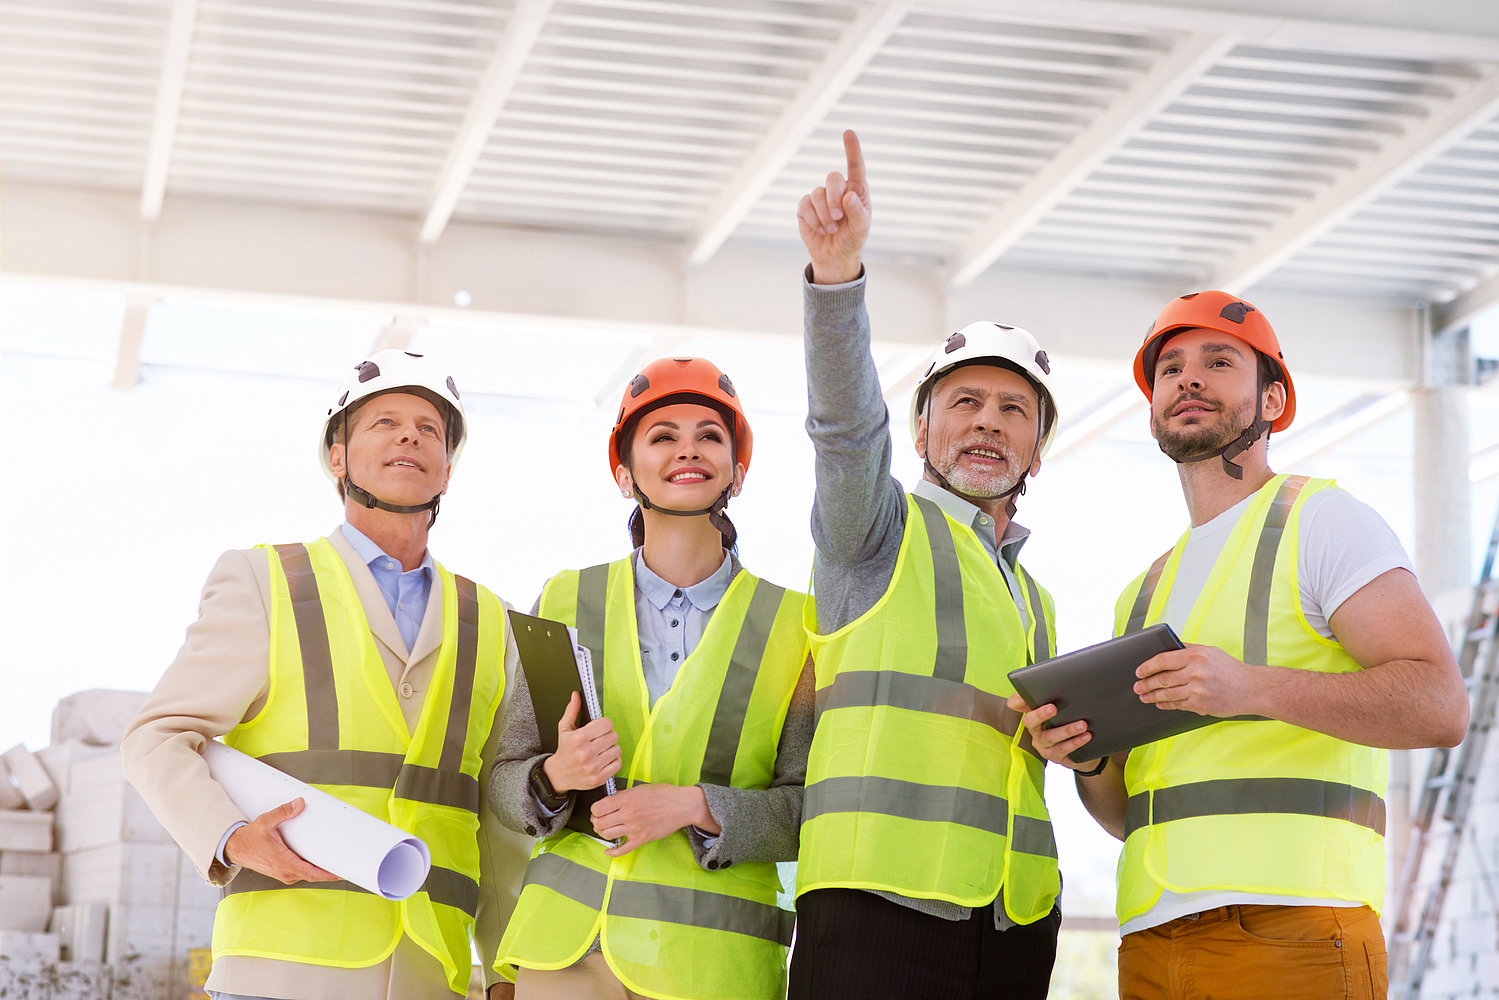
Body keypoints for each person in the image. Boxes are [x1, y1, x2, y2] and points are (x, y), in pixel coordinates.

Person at [1010, 290, 1471, 1000]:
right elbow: (1126, 816)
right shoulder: (1141, 593)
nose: (1186, 379)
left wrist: (1249, 687)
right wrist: (1087, 757)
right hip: (1152, 940)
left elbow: (1440, 705)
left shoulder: (1321, 522)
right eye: (1168, 370)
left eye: (1217, 362)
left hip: (1294, 931)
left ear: (1273, 399)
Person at [122, 349, 532, 1000]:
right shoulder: (265, 582)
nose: (409, 436)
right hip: (280, 971)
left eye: (430, 429)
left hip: (432, 974)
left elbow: (495, 817)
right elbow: (156, 737)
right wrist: (230, 839)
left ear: (446, 470)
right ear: (337, 458)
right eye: (385, 422)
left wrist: (508, 970)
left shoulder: (493, 621)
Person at [789, 129, 1063, 1000]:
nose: (988, 422)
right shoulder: (874, 529)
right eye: (966, 403)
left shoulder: (1035, 597)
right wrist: (837, 278)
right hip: (876, 910)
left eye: (1013, 409)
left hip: (1012, 919)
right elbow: (843, 430)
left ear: (1037, 446)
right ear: (921, 433)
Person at [487, 357, 814, 1000]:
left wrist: (697, 806)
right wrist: (556, 777)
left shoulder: (796, 625)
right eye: (662, 436)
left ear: (737, 473)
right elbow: (503, 780)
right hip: (566, 952)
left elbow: (809, 808)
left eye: (709, 435)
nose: (687, 449)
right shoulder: (564, 597)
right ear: (623, 472)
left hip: (713, 964)